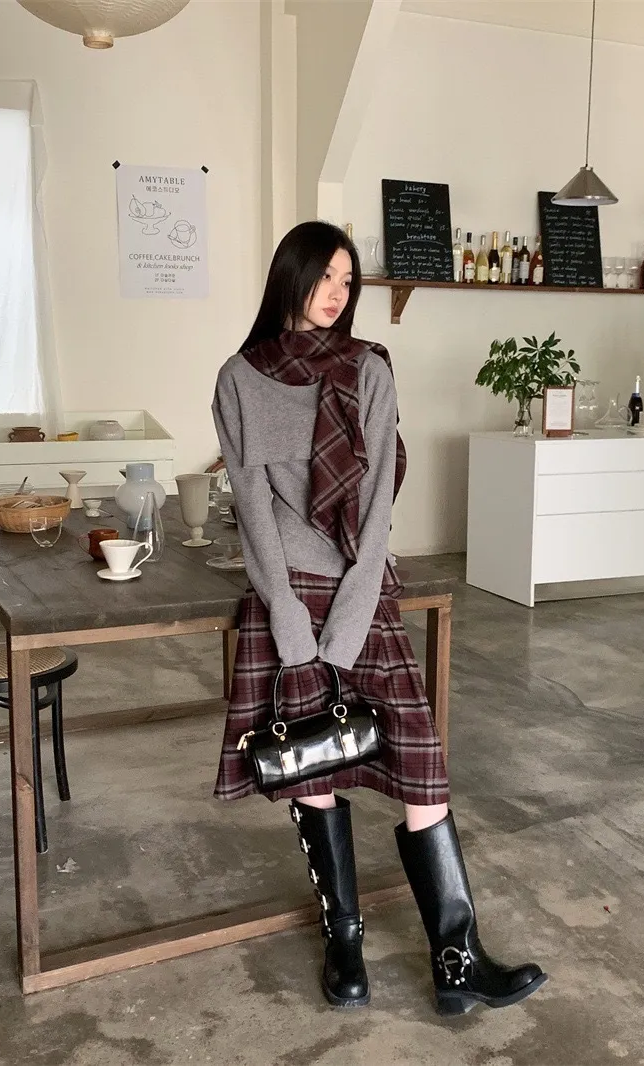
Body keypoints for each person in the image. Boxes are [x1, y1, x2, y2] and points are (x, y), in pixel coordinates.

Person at [211, 220, 546, 1016]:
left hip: (361, 593)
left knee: (422, 765)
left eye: (347, 280)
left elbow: (373, 507)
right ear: (290, 275)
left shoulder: (368, 368)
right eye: (325, 276)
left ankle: (458, 960)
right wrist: (290, 620)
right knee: (311, 767)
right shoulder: (240, 379)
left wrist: (351, 617)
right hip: (288, 593)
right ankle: (347, 948)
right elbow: (253, 511)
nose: (337, 293)